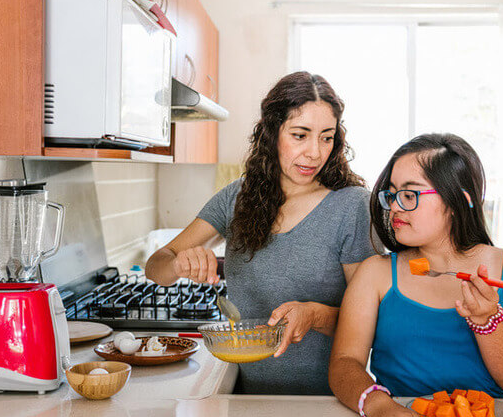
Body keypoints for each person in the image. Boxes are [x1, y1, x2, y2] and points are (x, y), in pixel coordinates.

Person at [145, 71, 378, 395]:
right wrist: (179, 264)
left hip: (326, 404)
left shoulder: (352, 206)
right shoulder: (237, 197)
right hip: (248, 397)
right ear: (272, 134)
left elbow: (374, 321)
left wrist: (314, 315)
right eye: (300, 135)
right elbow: (156, 265)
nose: (315, 152)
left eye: (327, 137)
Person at [328, 133, 503, 417]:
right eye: (392, 195)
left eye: (410, 194)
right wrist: (377, 404)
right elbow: (344, 363)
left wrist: (487, 321)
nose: (395, 208)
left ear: (458, 200)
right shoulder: (375, 274)